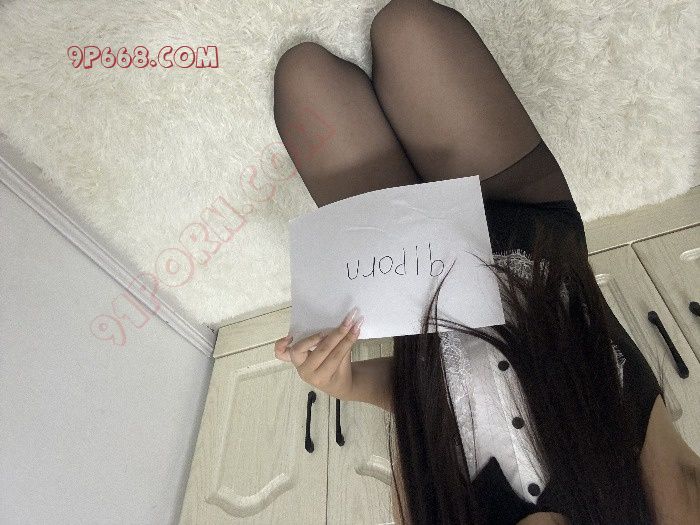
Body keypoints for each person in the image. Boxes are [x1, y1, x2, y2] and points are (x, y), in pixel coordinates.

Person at [271, 1, 700, 523]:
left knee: (303, 77)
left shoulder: (445, 514)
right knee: (406, 28)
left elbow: (429, 404)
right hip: (520, 213)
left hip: (407, 258)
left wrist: (345, 383)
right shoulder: (661, 507)